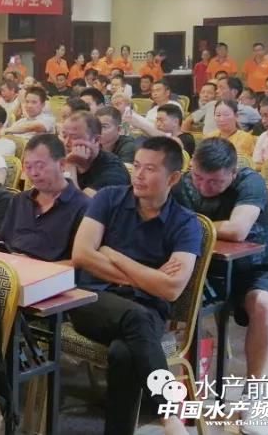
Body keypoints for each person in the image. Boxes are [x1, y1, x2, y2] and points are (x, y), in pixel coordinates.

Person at [70, 137, 203, 435]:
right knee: (136, 317)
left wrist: (113, 255)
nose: (139, 175)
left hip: (149, 308)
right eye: (137, 166)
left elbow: (171, 289)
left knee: (124, 353)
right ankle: (170, 415)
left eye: (150, 169)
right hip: (94, 300)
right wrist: (150, 277)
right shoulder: (108, 198)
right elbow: (82, 255)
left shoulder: (185, 223)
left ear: (173, 178)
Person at [172, 138, 268, 418]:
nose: (203, 187)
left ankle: (253, 394)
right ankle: (167, 381)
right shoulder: (183, 182)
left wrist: (188, 225)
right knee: (162, 291)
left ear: (233, 173)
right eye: (198, 177)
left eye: (215, 182)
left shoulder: (250, 182)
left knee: (263, 304)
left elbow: (237, 230)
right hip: (204, 269)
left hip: (254, 270)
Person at [0, 134, 90, 263]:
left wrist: (34, 265)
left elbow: (81, 263)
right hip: (10, 268)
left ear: (62, 164)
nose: (33, 173)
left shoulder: (84, 207)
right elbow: (1, 244)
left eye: (40, 166)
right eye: (28, 167)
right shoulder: (19, 200)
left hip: (52, 273)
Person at [61, 111, 131, 196]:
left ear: (97, 140)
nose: (66, 143)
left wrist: (70, 165)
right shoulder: (61, 158)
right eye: (64, 136)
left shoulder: (113, 172)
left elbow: (79, 203)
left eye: (74, 138)